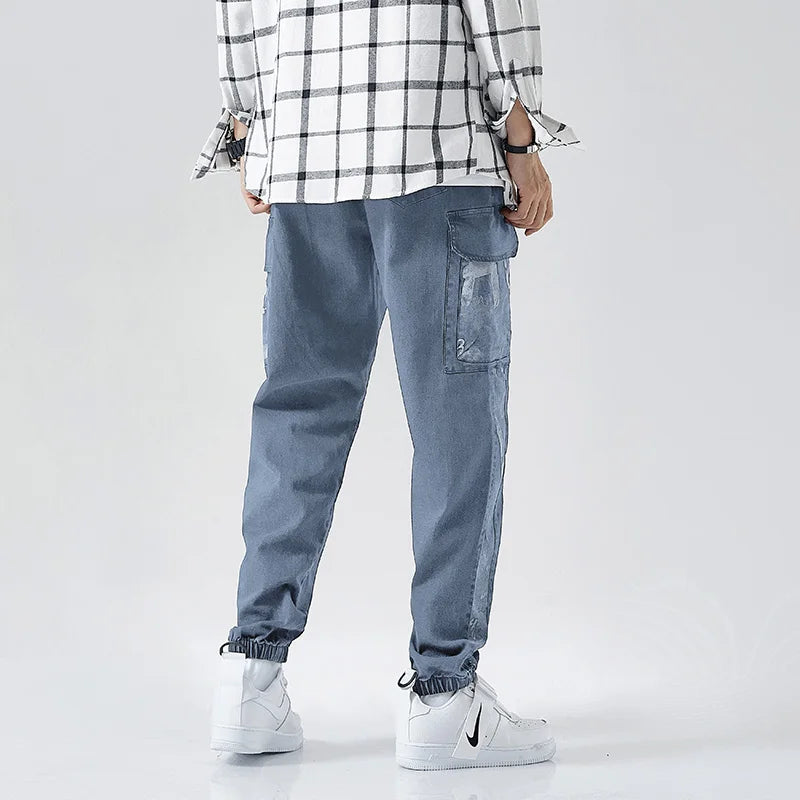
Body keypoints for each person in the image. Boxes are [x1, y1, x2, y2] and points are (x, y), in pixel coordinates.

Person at [191, 0, 578, 771]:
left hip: (305, 144)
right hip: (430, 139)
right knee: (455, 419)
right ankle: (443, 695)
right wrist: (520, 131)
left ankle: (249, 679)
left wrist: (248, 124)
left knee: (299, 408)